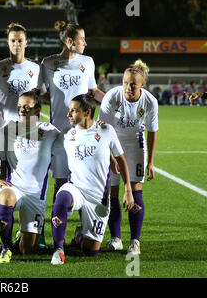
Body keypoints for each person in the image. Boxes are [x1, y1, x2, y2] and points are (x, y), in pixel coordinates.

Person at [41, 20, 105, 245]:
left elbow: (92, 90)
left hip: (84, 135)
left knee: (85, 183)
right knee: (60, 186)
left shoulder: (87, 62)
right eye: (81, 40)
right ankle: (55, 237)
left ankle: (83, 231)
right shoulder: (48, 63)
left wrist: (112, 103)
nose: (86, 43)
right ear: (70, 42)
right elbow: (39, 93)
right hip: (59, 136)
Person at [50, 94, 134, 265]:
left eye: (73, 111)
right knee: (61, 199)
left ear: (87, 112)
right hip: (76, 189)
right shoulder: (67, 133)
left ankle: (81, 235)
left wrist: (128, 190)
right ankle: (58, 249)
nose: (69, 114)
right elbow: (45, 146)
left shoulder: (106, 130)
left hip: (98, 199)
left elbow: (122, 160)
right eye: (69, 110)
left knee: (90, 252)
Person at [0, 89, 65, 263]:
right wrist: (2, 178)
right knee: (5, 197)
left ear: (37, 110)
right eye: (19, 107)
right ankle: (5, 249)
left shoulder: (50, 132)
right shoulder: (9, 129)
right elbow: (3, 159)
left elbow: (73, 139)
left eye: (26, 107)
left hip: (36, 195)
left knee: (27, 250)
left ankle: (20, 236)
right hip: (14, 188)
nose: (21, 110)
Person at [98, 59, 158, 255]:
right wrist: (110, 156)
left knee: (135, 190)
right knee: (113, 192)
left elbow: (152, 131)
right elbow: (102, 128)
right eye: (125, 82)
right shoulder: (112, 97)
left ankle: (135, 241)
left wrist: (150, 162)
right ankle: (116, 238)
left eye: (133, 84)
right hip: (113, 144)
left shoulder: (150, 101)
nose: (128, 87)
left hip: (136, 146)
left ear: (142, 85)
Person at [0, 22, 44, 127]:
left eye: (20, 40)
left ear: (26, 43)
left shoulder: (36, 67)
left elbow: (41, 94)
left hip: (31, 128)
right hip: (7, 127)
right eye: (13, 40)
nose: (16, 44)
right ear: (7, 43)